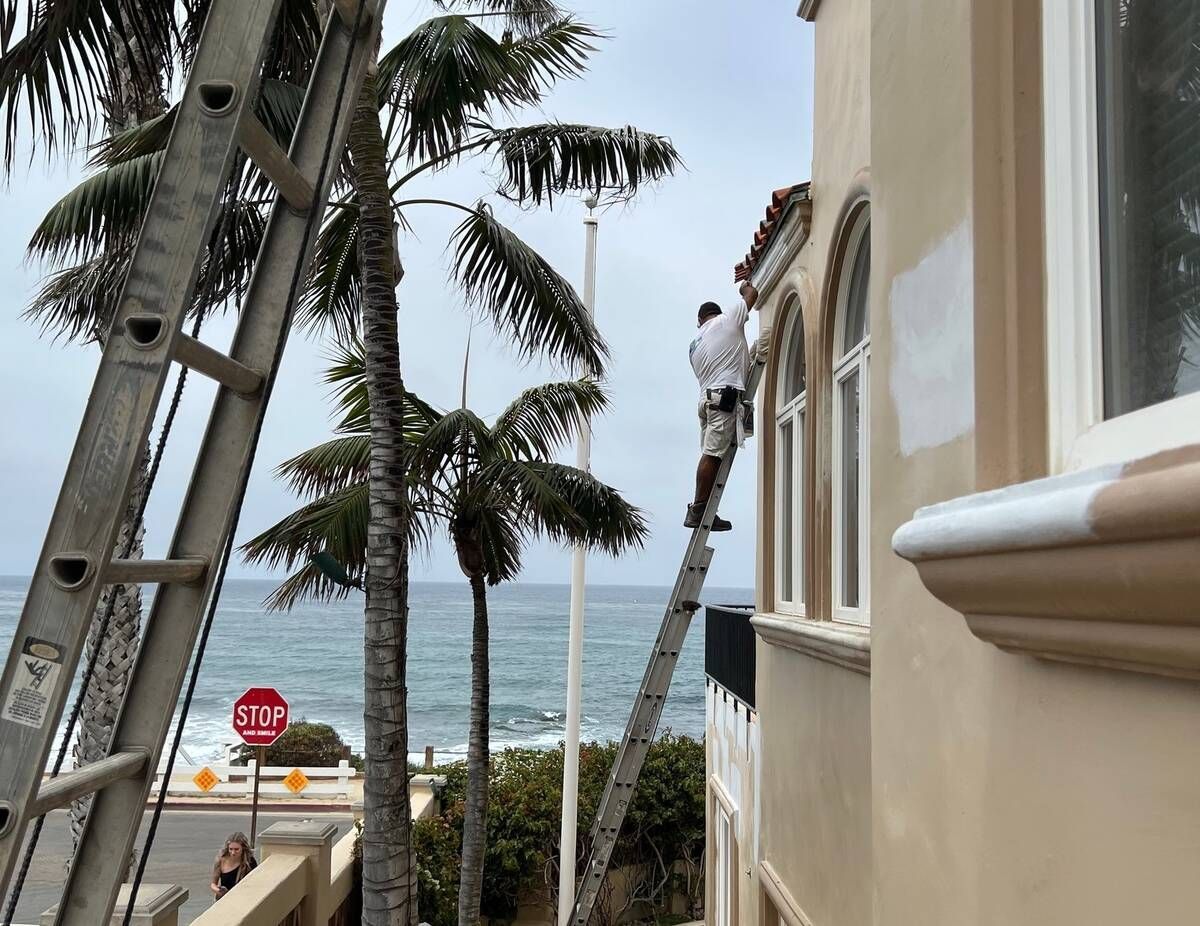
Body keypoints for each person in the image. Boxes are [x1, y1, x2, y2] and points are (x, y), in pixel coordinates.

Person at [686, 280, 759, 530]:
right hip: (723, 400)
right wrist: (745, 287)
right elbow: (752, 294)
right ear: (716, 314)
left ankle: (704, 509)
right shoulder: (728, 320)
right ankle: (698, 510)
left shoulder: (694, 345)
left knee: (710, 455)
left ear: (699, 320)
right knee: (713, 455)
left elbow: (729, 362)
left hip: (707, 401)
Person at [209, 832, 257, 901]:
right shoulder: (221, 860)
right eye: (231, 849)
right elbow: (213, 884)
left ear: (243, 848)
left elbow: (255, 883)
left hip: (243, 898)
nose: (233, 853)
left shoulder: (250, 862)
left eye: (236, 849)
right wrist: (219, 891)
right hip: (225, 899)